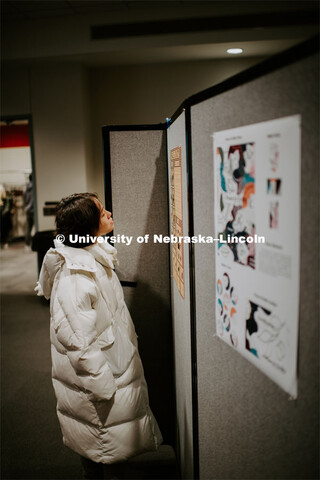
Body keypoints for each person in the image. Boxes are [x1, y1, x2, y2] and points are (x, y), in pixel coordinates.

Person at [35, 192, 162, 479]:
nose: (109, 215)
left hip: (108, 369)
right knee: (103, 452)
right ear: (88, 226)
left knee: (105, 448)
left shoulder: (93, 255)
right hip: (99, 381)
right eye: (102, 212)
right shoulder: (77, 276)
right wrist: (103, 387)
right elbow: (78, 341)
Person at [23, 173, 34, 251]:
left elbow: (24, 199)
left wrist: (26, 207)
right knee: (36, 229)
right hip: (33, 210)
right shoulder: (35, 187)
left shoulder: (26, 188)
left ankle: (27, 245)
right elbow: (33, 200)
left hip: (27, 210)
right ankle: (35, 245)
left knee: (28, 228)